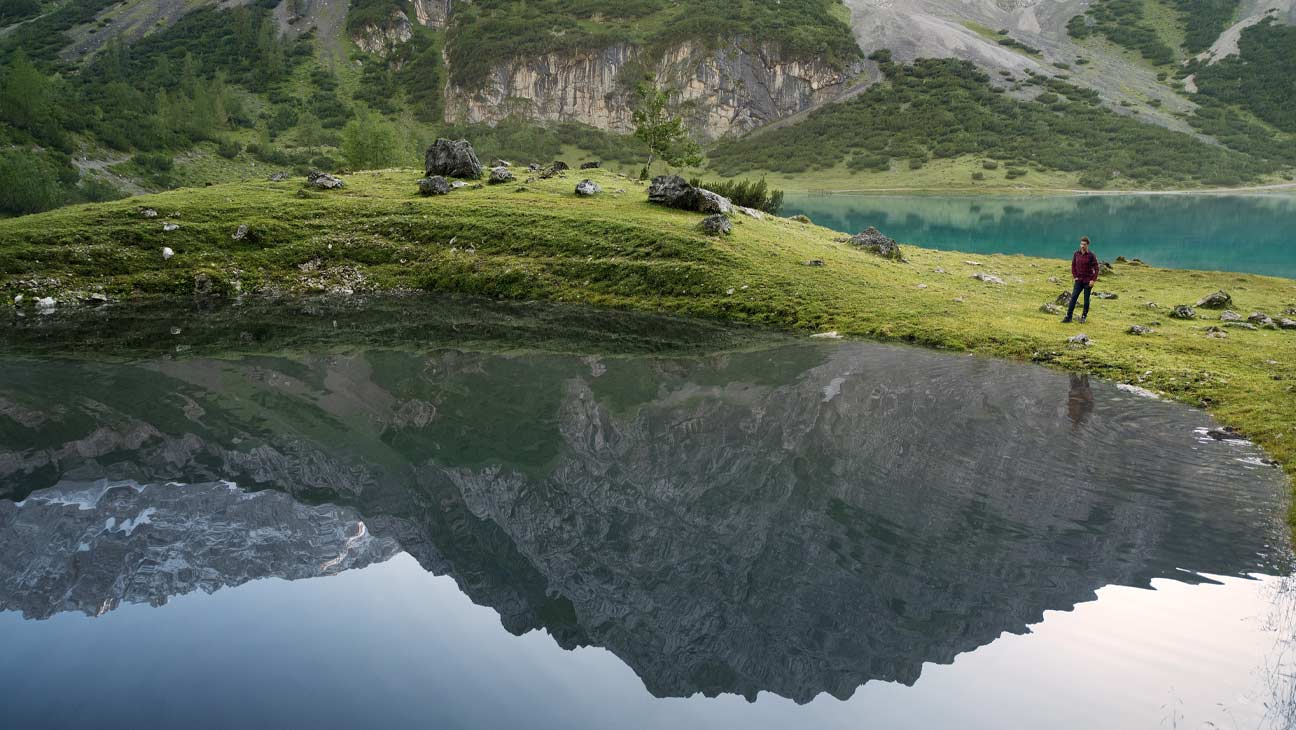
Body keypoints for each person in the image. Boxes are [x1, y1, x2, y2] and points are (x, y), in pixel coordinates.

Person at [1062, 236, 1099, 323]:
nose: (1082, 246)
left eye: (1084, 244)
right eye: (1081, 244)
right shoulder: (1076, 254)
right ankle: (1068, 317)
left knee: (1086, 300)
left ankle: (1083, 317)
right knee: (1073, 297)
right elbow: (1073, 265)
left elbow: (1096, 268)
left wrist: (1093, 280)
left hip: (1088, 281)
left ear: (1088, 245)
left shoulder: (1091, 255)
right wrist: (1075, 276)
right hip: (1079, 280)